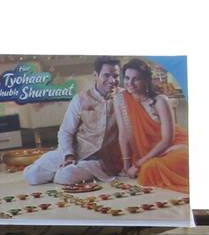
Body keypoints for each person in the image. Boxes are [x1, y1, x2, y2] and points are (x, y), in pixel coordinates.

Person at [23, 58, 120, 186]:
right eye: (106, 75)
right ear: (95, 75)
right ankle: (65, 168)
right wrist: (69, 155)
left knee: (64, 177)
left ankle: (66, 171)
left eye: (116, 76)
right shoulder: (80, 98)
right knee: (31, 176)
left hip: (99, 160)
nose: (112, 81)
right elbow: (65, 131)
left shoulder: (123, 98)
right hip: (75, 151)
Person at [114, 58, 188, 191]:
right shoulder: (120, 99)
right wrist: (126, 166)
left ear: (146, 80)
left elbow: (167, 140)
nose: (130, 83)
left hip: (172, 147)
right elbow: (123, 134)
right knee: (150, 168)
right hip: (146, 154)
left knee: (153, 167)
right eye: (127, 78)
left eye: (136, 79)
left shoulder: (160, 101)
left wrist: (137, 165)